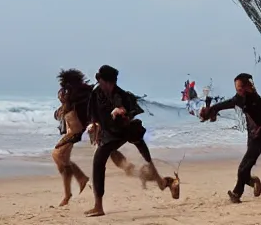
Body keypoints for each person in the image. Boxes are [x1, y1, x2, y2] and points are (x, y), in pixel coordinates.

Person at [84, 65, 178, 217]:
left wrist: (120, 111)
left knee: (138, 154)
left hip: (123, 130)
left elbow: (123, 107)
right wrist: (94, 126)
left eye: (104, 82)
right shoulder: (96, 92)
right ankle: (165, 183)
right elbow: (94, 114)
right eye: (101, 81)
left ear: (109, 82)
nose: (102, 84)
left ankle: (98, 206)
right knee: (100, 161)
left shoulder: (119, 94)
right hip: (111, 132)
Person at [199, 73, 261, 203]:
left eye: (241, 87)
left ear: (249, 86)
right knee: (246, 167)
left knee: (243, 167)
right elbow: (222, 105)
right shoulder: (239, 99)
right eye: (237, 88)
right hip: (251, 136)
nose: (238, 90)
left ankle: (237, 193)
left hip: (260, 137)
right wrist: (210, 111)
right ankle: (253, 182)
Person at [52, 69, 93, 206]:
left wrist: (64, 102)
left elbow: (69, 111)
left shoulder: (75, 96)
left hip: (74, 132)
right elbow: (62, 113)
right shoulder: (74, 95)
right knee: (63, 161)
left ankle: (81, 178)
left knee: (57, 155)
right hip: (70, 131)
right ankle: (67, 193)